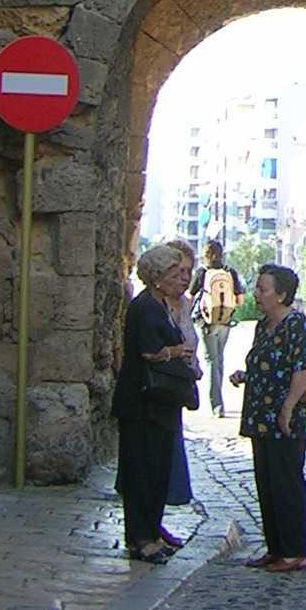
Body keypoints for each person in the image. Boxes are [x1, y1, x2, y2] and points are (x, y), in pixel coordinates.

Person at [229, 264, 306, 574]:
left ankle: (295, 552)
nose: (257, 294)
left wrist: (288, 408)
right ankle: (276, 548)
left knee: (287, 481)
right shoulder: (262, 326)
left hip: (286, 417)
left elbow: (305, 367)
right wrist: (246, 375)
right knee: (266, 481)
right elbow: (265, 362)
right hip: (260, 416)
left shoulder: (297, 325)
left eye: (263, 289)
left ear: (282, 295)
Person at [111, 242, 197, 564]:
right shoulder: (146, 306)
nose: (181, 279)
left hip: (160, 404)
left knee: (158, 469)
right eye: (175, 273)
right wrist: (179, 352)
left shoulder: (161, 304)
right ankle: (141, 538)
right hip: (142, 403)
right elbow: (149, 351)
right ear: (158, 277)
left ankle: (151, 532)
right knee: (142, 472)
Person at [162, 237, 204, 534]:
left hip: (177, 390)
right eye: (179, 271)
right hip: (158, 389)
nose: (185, 277)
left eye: (189, 270)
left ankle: (157, 524)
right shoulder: (155, 305)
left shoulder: (186, 305)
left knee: (170, 456)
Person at [189, 238, 243, 417]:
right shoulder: (230, 272)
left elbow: (190, 296)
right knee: (219, 359)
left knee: (211, 360)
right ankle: (219, 401)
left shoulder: (202, 273)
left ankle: (217, 406)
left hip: (205, 322)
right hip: (225, 322)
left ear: (205, 255)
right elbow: (240, 300)